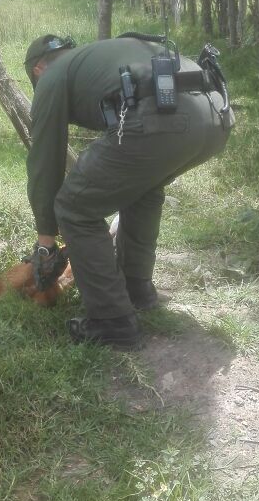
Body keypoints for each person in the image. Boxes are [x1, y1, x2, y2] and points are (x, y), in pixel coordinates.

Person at [23, 32, 234, 348]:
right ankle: (137, 290)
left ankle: (112, 320)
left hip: (167, 114)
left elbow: (44, 160)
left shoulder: (52, 76)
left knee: (74, 207)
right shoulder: (98, 56)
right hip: (216, 114)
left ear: (38, 69)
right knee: (143, 186)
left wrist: (45, 243)